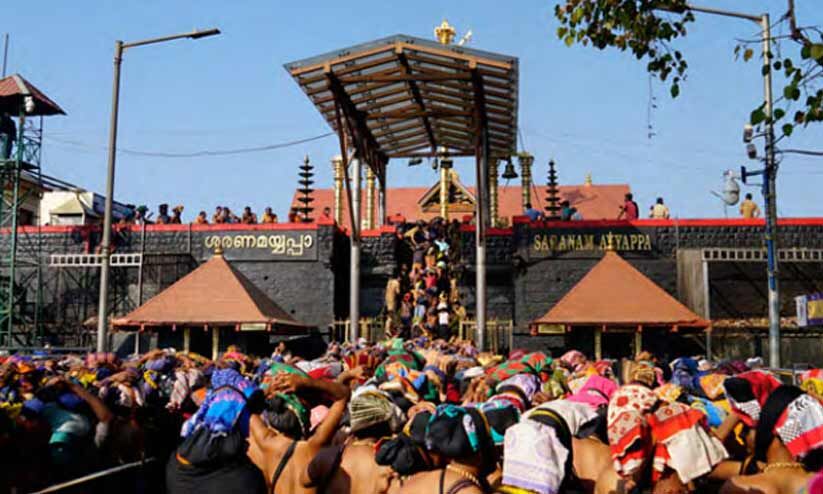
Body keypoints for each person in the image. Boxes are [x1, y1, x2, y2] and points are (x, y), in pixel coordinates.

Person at [247, 369, 356, 494]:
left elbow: (247, 408)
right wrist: (307, 382)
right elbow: (344, 395)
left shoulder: (266, 442)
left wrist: (269, 389)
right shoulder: (314, 446)